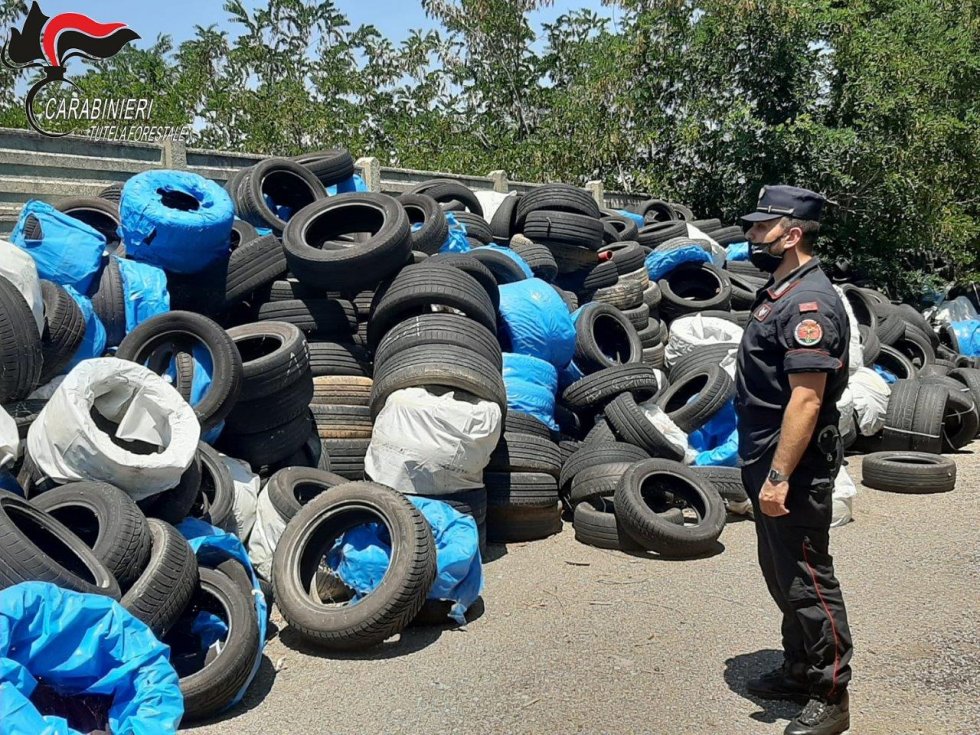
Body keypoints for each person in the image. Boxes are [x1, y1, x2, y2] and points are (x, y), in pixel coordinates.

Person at [734, 185, 853, 735]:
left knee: (807, 576)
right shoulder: (779, 290)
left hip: (793, 462)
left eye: (763, 227)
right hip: (763, 451)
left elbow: (806, 398)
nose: (753, 234)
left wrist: (780, 476)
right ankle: (798, 667)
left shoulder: (811, 303)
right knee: (781, 570)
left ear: (793, 232)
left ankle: (831, 693)